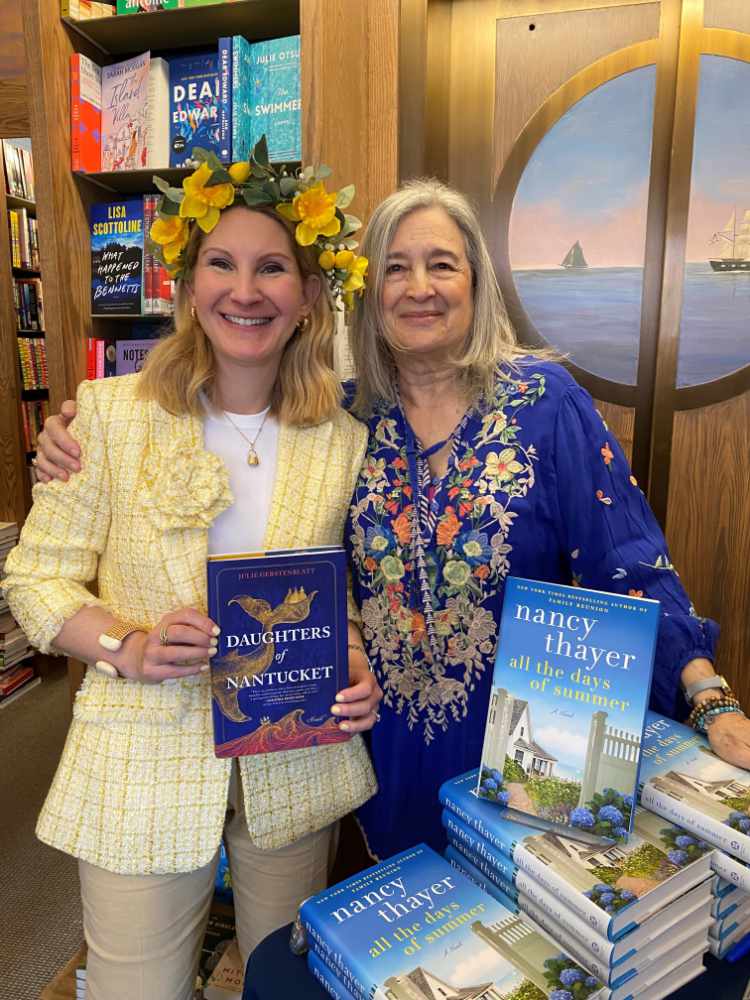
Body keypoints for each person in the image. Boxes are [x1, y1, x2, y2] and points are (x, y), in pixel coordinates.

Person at [33, 179, 750, 867]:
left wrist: (707, 695)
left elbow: (629, 562)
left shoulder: (546, 402)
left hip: (529, 754)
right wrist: (69, 439)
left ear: (476, 283)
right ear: (368, 296)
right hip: (383, 744)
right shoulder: (340, 421)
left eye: (442, 264)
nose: (419, 287)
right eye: (396, 268)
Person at [3, 146, 381, 1000]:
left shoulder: (343, 441)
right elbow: (35, 581)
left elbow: (341, 597)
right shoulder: (103, 418)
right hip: (141, 759)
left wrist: (351, 660)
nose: (244, 291)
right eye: (222, 263)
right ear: (187, 282)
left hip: (293, 757)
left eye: (272, 267)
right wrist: (128, 646)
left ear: (309, 294)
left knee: (289, 983)